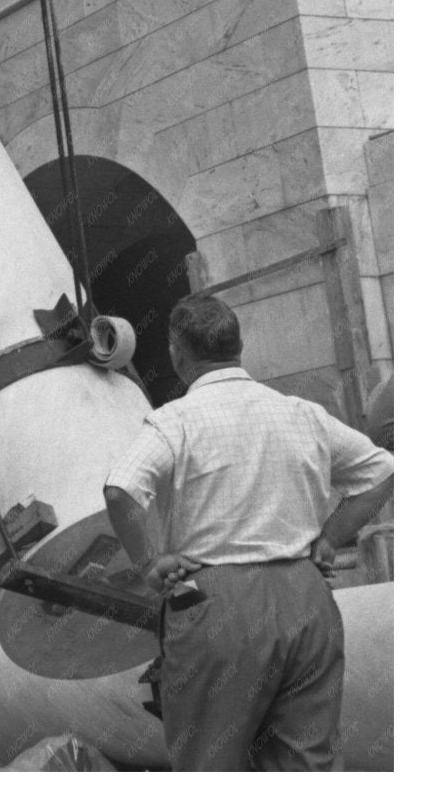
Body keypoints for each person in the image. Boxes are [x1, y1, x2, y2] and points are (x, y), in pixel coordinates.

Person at [102, 293, 394, 772]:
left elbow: (120, 491)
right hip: (306, 599)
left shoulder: (176, 421)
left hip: (219, 605)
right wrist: (328, 540)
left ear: (178, 353)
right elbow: (381, 472)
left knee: (211, 765)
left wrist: (151, 562)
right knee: (308, 766)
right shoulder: (302, 413)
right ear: (240, 347)